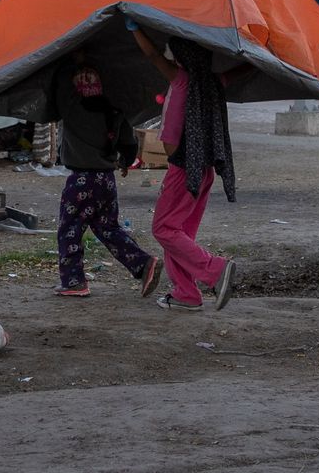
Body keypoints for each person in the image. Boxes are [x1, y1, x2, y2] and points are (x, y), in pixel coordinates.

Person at [131, 23, 239, 312]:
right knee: (180, 235)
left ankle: (216, 270)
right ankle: (186, 294)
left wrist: (133, 28)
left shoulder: (182, 79)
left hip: (184, 169)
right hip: (203, 169)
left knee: (164, 229)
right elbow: (239, 72)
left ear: (181, 57)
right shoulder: (213, 81)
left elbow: (153, 56)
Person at [50, 49, 162, 298]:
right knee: (107, 228)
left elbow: (60, 86)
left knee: (70, 230)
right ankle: (143, 264)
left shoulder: (72, 108)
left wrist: (73, 62)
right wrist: (124, 161)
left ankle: (74, 282)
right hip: (106, 181)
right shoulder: (114, 112)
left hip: (81, 181)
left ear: (76, 88)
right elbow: (130, 145)